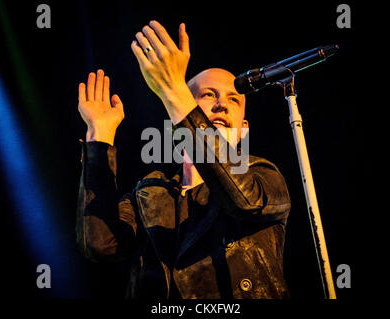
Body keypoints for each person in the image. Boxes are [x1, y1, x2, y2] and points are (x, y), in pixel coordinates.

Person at [76, 20, 291, 299]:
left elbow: (243, 199)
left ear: (243, 130)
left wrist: (172, 90)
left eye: (233, 100)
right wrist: (99, 137)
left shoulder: (264, 176)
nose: (221, 104)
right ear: (177, 118)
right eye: (208, 94)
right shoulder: (150, 192)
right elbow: (101, 245)